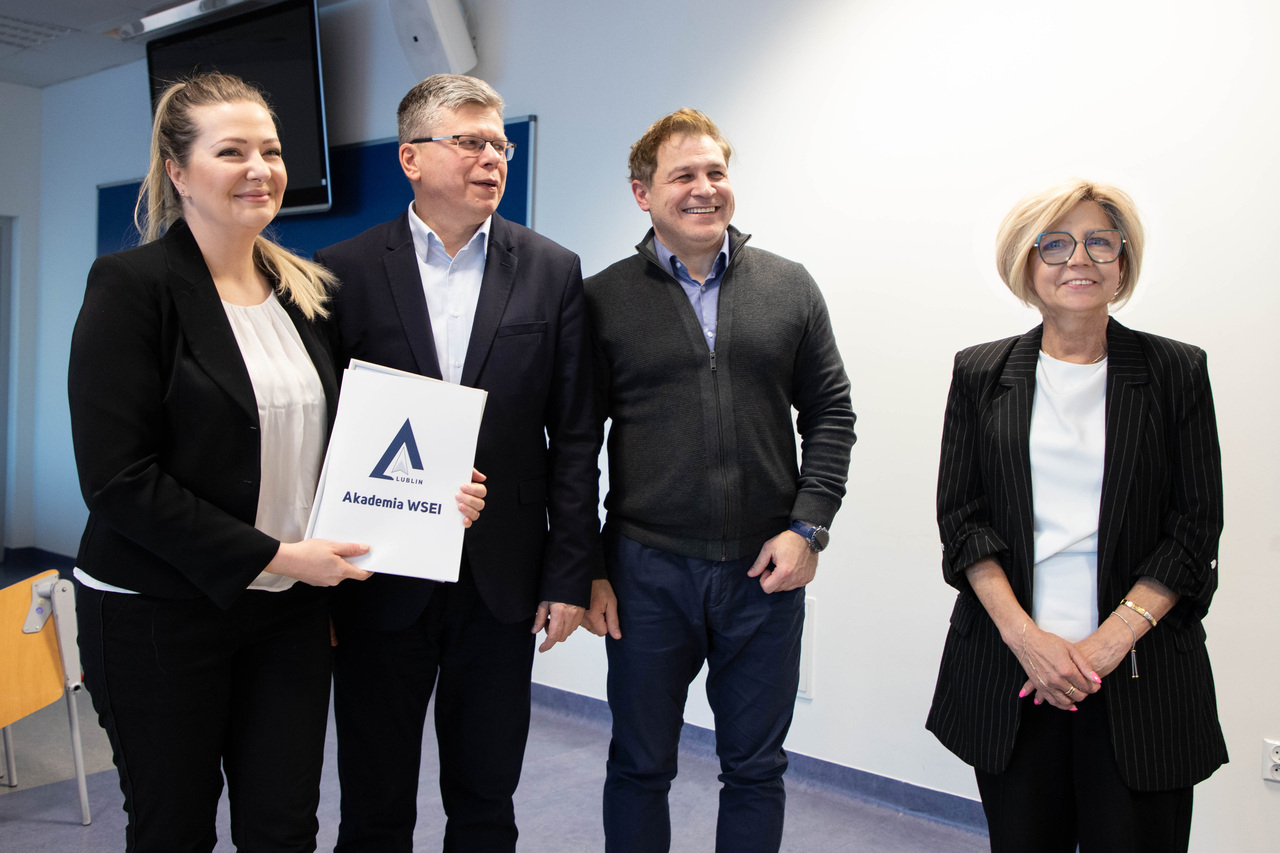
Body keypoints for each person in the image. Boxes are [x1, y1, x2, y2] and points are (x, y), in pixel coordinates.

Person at [66, 72, 485, 853]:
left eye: (271, 150)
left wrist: (435, 493)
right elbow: (119, 480)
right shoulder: (132, 288)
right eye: (232, 152)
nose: (260, 168)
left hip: (286, 613)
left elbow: (342, 446)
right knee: (173, 828)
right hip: (158, 610)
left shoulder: (305, 292)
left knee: (284, 828)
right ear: (178, 171)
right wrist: (280, 555)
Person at [315, 73, 597, 853]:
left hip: (499, 578)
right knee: (373, 800)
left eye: (500, 144)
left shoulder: (550, 269)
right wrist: (321, 577)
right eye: (470, 142)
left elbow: (575, 434)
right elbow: (322, 433)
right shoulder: (341, 270)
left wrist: (569, 574)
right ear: (411, 157)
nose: (492, 158)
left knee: (485, 796)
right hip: (378, 573)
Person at [582, 108, 856, 853]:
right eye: (683, 176)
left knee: (757, 769)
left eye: (716, 172)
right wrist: (588, 567)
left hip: (764, 571)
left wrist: (808, 528)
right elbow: (575, 443)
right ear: (643, 193)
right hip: (646, 572)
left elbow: (831, 412)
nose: (704, 188)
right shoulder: (603, 299)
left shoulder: (789, 286)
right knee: (639, 765)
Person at [927, 180, 1227, 852]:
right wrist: (1028, 641)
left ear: (1123, 261)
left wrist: (1105, 646)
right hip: (1013, 670)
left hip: (1140, 671)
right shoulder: (980, 372)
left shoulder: (1176, 371)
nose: (1079, 260)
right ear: (1026, 263)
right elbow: (964, 521)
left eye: (1100, 242)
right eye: (1056, 244)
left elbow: (1193, 528)